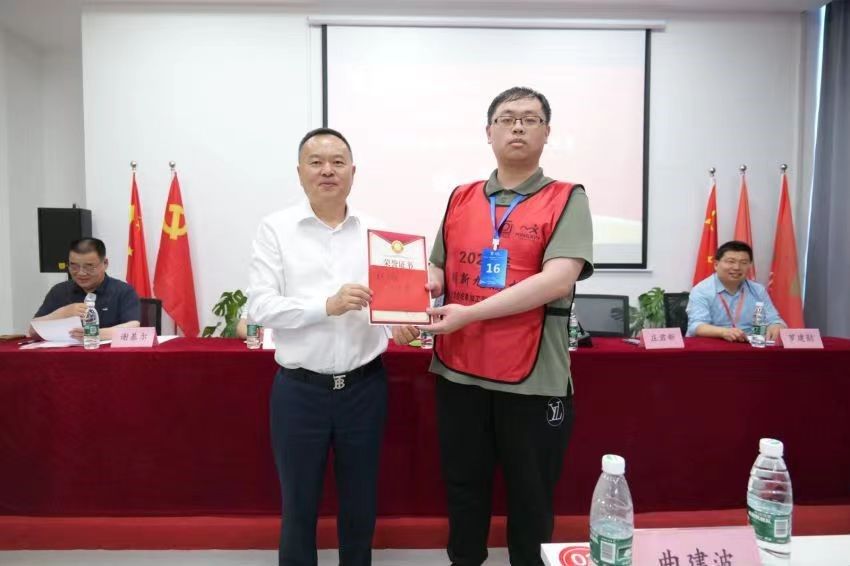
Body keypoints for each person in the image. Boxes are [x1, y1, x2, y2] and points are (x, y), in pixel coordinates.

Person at [393, 86, 593, 566]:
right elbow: (439, 267)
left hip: (533, 381)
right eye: (506, 118)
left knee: (531, 498)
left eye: (529, 118)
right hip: (459, 373)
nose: (517, 126)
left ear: (547, 132)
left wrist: (472, 313)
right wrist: (415, 293)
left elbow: (558, 279)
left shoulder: (567, 198)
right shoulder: (461, 197)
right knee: (463, 489)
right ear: (489, 132)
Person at [246, 128, 388, 566]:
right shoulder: (275, 229)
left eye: (338, 162)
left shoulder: (377, 232)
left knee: (361, 504)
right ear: (300, 172)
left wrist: (401, 322)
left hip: (364, 388)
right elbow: (260, 306)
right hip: (300, 391)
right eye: (316, 161)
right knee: (298, 505)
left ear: (353, 172)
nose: (328, 170)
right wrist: (326, 305)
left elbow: (389, 301)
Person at [29, 237, 140, 340]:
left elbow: (134, 327)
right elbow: (32, 332)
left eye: (89, 266)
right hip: (65, 353)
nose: (81, 273)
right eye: (74, 266)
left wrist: (95, 333)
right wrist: (62, 313)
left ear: (105, 263)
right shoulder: (59, 291)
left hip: (107, 353)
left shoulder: (123, 291)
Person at [687, 240, 786, 341]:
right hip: (714, 344)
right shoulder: (702, 290)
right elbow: (696, 326)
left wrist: (776, 325)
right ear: (716, 264)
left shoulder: (758, 290)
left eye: (743, 263)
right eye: (731, 261)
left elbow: (774, 319)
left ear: (749, 265)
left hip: (750, 345)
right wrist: (723, 332)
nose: (737, 267)